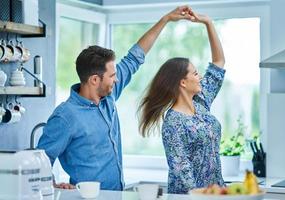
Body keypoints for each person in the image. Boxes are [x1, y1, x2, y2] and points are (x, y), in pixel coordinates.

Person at [37, 6, 195, 190]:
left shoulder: (108, 97)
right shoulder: (65, 116)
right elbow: (40, 159)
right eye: (112, 76)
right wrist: (53, 186)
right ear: (94, 80)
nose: (117, 78)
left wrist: (166, 19)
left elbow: (135, 57)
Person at [138, 10, 226, 194]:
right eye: (195, 73)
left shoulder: (201, 102)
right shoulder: (173, 123)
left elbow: (219, 61)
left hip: (216, 193)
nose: (200, 76)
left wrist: (208, 22)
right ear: (183, 82)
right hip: (191, 197)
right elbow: (182, 172)